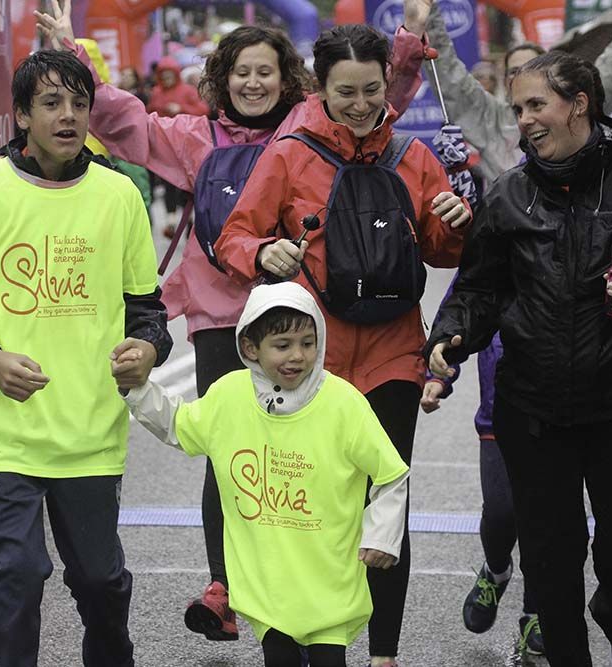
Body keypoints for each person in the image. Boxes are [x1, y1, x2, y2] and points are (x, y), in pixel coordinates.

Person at [34, 0, 429, 644]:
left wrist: (408, 40)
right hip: (222, 316)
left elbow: (380, 102)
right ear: (222, 77)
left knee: (301, 458)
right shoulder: (193, 138)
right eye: (241, 72)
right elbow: (121, 119)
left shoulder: (311, 124)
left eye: (266, 72)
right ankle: (226, 586)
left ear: (288, 79)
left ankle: (300, 584)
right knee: (229, 452)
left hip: (302, 313)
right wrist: (72, 53)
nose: (253, 83)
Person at [215, 24, 471, 667]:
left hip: (393, 357)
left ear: (389, 86)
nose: (361, 106)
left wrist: (457, 225)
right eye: (346, 93)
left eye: (373, 92)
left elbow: (441, 252)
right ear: (320, 90)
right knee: (307, 511)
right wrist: (262, 250)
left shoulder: (413, 156)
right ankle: (297, 640)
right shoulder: (290, 151)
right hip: (310, 365)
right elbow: (233, 237)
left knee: (387, 504)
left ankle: (382, 655)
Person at [425, 51, 612, 667]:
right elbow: (479, 288)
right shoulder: (509, 195)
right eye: (518, 109)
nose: (525, 121)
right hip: (535, 409)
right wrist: (448, 342)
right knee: (550, 556)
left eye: (536, 105)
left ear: (580, 105)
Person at [0, 49, 172, 667]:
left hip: (89, 431)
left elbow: (148, 310)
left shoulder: (119, 194)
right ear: (22, 115)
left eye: (79, 103)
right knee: (19, 576)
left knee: (102, 585)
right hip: (6, 434)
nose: (69, 116)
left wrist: (148, 349)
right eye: (51, 103)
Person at [121, 281, 411, 667]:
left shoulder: (343, 404)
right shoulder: (229, 398)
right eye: (283, 344)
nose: (298, 356)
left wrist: (383, 535)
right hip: (266, 589)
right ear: (249, 347)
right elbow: (178, 423)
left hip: (328, 584)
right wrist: (138, 388)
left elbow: (391, 473)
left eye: (308, 342)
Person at [400, 0, 612, 185]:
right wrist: (427, 17)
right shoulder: (492, 120)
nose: (522, 81)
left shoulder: (576, 112)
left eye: (534, 74)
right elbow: (447, 71)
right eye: (514, 72)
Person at [419, 296, 543, 655]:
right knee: (502, 510)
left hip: (562, 412)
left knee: (546, 520)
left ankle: (536, 611)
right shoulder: (497, 242)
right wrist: (439, 374)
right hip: (500, 412)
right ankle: (497, 571)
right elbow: (466, 304)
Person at [146, 55, 210, 236]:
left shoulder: (187, 90)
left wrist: (181, 109)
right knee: (168, 182)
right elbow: (149, 113)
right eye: (163, 76)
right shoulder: (156, 92)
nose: (166, 79)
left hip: (186, 145)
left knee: (187, 181)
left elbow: (203, 110)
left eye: (169, 75)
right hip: (164, 144)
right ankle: (172, 220)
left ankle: (188, 217)